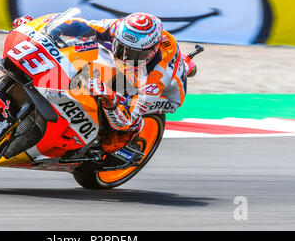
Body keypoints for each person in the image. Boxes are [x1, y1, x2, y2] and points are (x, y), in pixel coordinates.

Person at [12, 13, 194, 152]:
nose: (123, 55)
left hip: (163, 94)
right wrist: (37, 27)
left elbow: (126, 118)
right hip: (131, 69)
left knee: (122, 123)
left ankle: (124, 139)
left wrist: (110, 97)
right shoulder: (118, 28)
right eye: (121, 47)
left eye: (132, 53)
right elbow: (80, 26)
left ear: (151, 51)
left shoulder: (158, 76)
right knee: (87, 59)